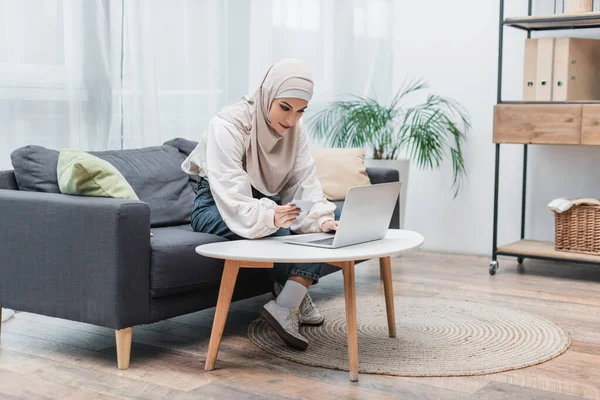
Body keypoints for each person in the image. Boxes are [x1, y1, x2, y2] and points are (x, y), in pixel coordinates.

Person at [181, 59, 340, 350]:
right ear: (267, 94)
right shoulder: (227, 125)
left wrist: (321, 219)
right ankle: (294, 297)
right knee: (280, 234)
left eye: (300, 110)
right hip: (216, 205)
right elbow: (233, 196)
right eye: (285, 107)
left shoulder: (295, 128)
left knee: (329, 224)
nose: (292, 120)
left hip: (267, 202)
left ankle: (285, 304)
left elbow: (303, 182)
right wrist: (272, 216)